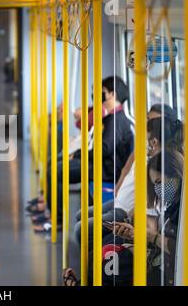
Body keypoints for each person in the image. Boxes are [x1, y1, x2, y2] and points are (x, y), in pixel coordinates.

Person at [63, 150, 184, 286]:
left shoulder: (182, 209)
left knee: (110, 261)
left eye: (160, 182)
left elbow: (180, 248)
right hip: (159, 257)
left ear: (176, 173)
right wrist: (134, 234)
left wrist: (148, 237)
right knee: (105, 246)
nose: (158, 189)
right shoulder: (173, 204)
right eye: (155, 184)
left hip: (166, 270)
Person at [31, 77, 134, 232]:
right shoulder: (110, 117)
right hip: (101, 164)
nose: (97, 94)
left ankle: (57, 219)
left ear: (112, 94)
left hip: (105, 169)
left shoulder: (116, 121)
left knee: (56, 171)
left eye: (102, 92)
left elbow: (104, 149)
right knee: (55, 165)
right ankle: (51, 210)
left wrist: (78, 155)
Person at [73, 105, 184, 246]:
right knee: (81, 216)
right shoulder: (147, 148)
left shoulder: (163, 164)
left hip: (127, 211)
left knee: (81, 230)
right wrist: (118, 187)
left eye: (151, 120)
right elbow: (126, 169)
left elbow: (152, 206)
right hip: (122, 203)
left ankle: (96, 261)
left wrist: (130, 219)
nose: (146, 123)